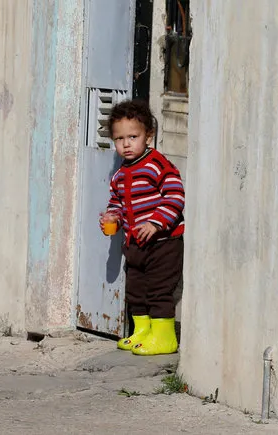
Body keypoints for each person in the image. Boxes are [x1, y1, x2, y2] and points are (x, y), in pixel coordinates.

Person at [99, 100, 185, 355]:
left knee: (159, 289)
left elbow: (175, 196)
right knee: (136, 290)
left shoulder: (157, 164)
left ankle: (164, 336)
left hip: (163, 243)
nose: (126, 144)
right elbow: (116, 203)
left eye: (133, 137)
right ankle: (142, 331)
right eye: (119, 139)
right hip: (135, 244)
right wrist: (111, 217)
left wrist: (156, 222)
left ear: (148, 135)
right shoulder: (118, 176)